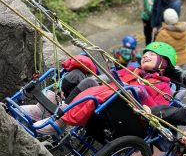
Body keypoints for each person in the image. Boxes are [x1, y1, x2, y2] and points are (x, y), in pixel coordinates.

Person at [22, 42, 177, 134]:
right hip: (107, 98)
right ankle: (42, 109)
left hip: (124, 113)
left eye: (151, 55)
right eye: (145, 54)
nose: (145, 56)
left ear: (163, 63)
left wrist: (140, 92)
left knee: (89, 84)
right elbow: (111, 77)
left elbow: (157, 110)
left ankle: (61, 121)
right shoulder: (133, 71)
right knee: (77, 73)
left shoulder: (162, 87)